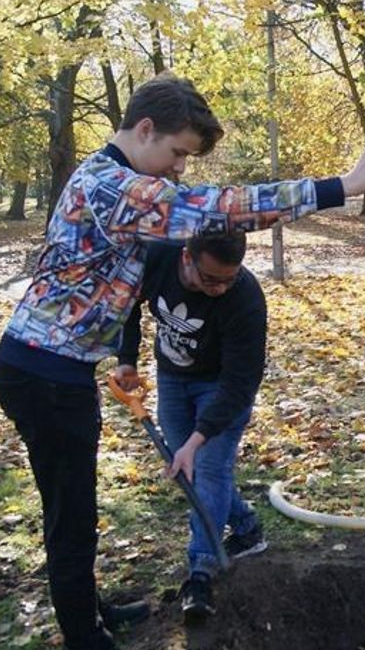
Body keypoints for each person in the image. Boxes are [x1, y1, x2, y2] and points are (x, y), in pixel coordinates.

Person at [0, 72, 365, 650]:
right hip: (44, 376)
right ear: (145, 129)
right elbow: (217, 208)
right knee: (71, 514)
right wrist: (340, 187)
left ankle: (91, 613)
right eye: (178, 152)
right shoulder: (112, 186)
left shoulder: (118, 186)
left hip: (58, 370)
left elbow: (217, 228)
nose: (179, 168)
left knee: (77, 506)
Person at [114, 232, 266, 626]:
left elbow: (239, 384)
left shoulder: (245, 297)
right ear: (187, 257)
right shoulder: (158, 258)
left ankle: (200, 573)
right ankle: (247, 527)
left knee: (208, 468)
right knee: (197, 473)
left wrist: (196, 442)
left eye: (228, 279)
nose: (219, 289)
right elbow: (128, 301)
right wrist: (126, 359)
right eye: (211, 279)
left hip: (220, 389)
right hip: (172, 376)